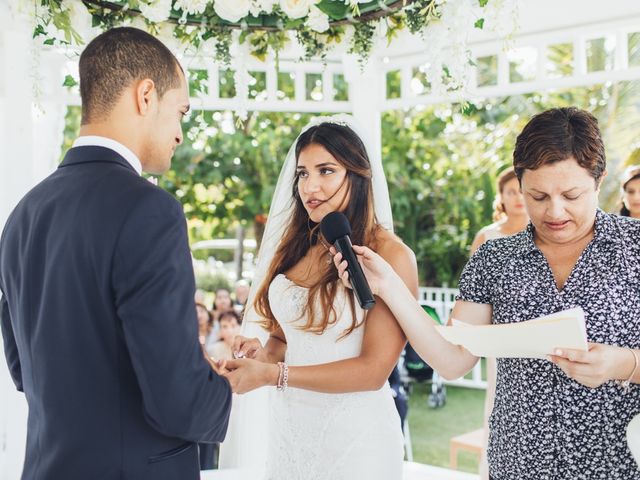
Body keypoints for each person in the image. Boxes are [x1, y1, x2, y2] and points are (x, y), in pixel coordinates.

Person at [334, 107, 640, 479]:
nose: (555, 211)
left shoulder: (634, 248)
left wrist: (625, 364)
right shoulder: (495, 258)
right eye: (538, 196)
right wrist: (389, 287)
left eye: (572, 195)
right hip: (518, 463)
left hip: (618, 464)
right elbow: (451, 361)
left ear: (599, 180)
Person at [0, 27, 231, 480]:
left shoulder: (23, 214)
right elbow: (177, 402)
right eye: (180, 112)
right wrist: (223, 385)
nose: (181, 133)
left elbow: (25, 370)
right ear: (146, 96)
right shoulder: (151, 210)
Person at [219, 116, 418, 479]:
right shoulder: (297, 245)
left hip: (356, 442)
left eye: (326, 170)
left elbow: (373, 371)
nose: (311, 186)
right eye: (302, 173)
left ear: (357, 175)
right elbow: (284, 336)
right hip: (291, 432)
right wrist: (260, 355)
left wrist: (272, 374)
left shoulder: (391, 256)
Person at [469, 167, 528, 480]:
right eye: (510, 192)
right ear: (501, 197)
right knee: (499, 400)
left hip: (540, 338)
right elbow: (472, 294)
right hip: (498, 338)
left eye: (522, 190)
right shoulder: (487, 237)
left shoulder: (548, 233)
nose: (518, 197)